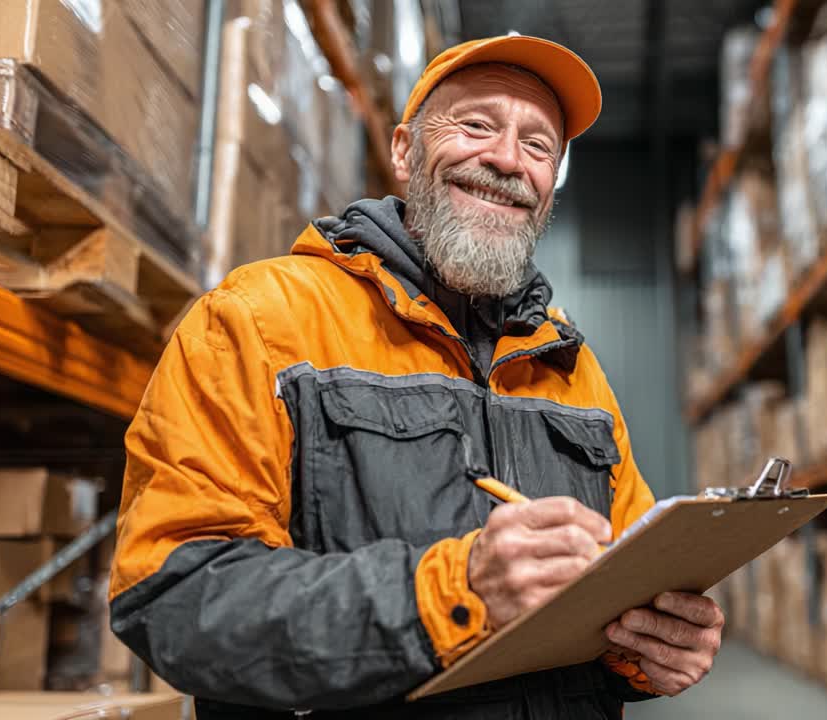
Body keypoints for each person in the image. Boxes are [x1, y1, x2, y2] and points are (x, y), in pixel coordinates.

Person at [108, 35, 724, 719]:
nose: (506, 161)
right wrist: (453, 593)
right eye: (476, 125)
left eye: (539, 145)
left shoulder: (571, 366)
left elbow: (619, 584)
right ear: (403, 151)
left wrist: (649, 647)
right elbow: (175, 600)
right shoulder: (259, 320)